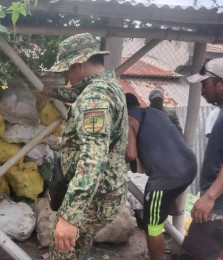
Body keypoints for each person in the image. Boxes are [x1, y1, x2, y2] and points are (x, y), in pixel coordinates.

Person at [43, 33, 128, 259]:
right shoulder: (108, 84)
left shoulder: (95, 98)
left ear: (79, 65)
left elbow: (93, 158)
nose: (66, 78)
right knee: (78, 247)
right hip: (104, 192)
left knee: (62, 248)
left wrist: (70, 216)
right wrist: (51, 91)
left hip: (94, 196)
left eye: (66, 71)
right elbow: (75, 92)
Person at [125, 92, 197, 260]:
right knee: (166, 197)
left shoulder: (128, 120)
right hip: (189, 167)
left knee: (152, 226)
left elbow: (130, 154)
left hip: (165, 178)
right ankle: (173, 205)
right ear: (137, 103)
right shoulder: (156, 112)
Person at [182, 57, 223, 260]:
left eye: (205, 83)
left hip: (216, 207)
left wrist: (209, 197)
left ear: (221, 84)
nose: (202, 89)